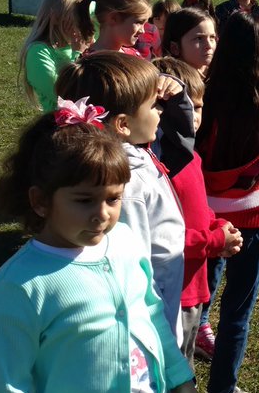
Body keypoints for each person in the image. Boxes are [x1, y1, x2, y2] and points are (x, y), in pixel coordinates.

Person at [0, 104, 202, 393]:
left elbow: (151, 314)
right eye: (84, 200)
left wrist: (179, 379)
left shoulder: (125, 241)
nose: (102, 215)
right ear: (41, 201)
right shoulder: (18, 288)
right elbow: (11, 389)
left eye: (113, 198)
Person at [196, 12, 259, 393]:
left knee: (198, 297)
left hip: (206, 214)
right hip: (251, 216)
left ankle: (177, 380)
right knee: (237, 311)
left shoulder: (202, 97)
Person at [56, 52, 189, 345]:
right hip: (146, 333)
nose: (161, 112)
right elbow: (134, 271)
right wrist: (161, 343)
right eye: (154, 105)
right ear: (123, 125)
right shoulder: (126, 187)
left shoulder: (134, 154)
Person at [156, 60, 246, 365]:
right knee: (172, 373)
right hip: (170, 294)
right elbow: (158, 240)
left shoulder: (191, 158)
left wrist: (218, 224)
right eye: (186, 108)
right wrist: (212, 242)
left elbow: (198, 209)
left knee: (186, 365)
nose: (194, 118)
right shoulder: (159, 170)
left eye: (199, 107)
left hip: (194, 288)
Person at [17, 0, 89, 111]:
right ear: (55, 18)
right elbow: (62, 95)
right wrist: (77, 54)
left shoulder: (79, 44)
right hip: (59, 124)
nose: (82, 22)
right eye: (77, 16)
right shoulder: (38, 52)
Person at [85, 0, 153, 58]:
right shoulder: (90, 63)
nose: (142, 31)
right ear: (114, 18)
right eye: (139, 22)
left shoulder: (134, 57)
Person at [162, 7, 219, 78]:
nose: (209, 45)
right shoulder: (172, 82)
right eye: (199, 38)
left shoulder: (221, 72)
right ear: (175, 48)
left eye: (212, 37)